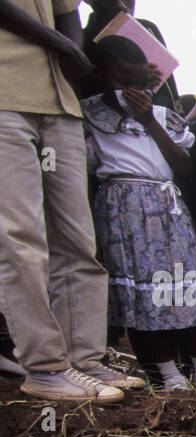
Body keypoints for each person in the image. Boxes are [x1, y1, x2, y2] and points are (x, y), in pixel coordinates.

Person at [0, 0, 139, 402]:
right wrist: (61, 45)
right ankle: (44, 368)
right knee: (21, 239)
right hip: (6, 96)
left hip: (60, 102)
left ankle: (83, 359)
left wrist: (71, 52)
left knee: (77, 239)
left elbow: (68, 16)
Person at [83, 36, 196, 390]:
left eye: (138, 85)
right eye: (121, 83)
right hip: (123, 213)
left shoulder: (161, 117)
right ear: (100, 76)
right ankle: (171, 377)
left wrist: (149, 120)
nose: (130, 92)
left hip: (168, 209)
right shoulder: (90, 117)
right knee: (145, 296)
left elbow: (185, 167)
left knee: (188, 290)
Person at [82, 0, 181, 111]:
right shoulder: (82, 41)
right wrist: (134, 83)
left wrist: (147, 88)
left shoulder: (147, 28)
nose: (121, 4)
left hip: (155, 121)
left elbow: (169, 96)